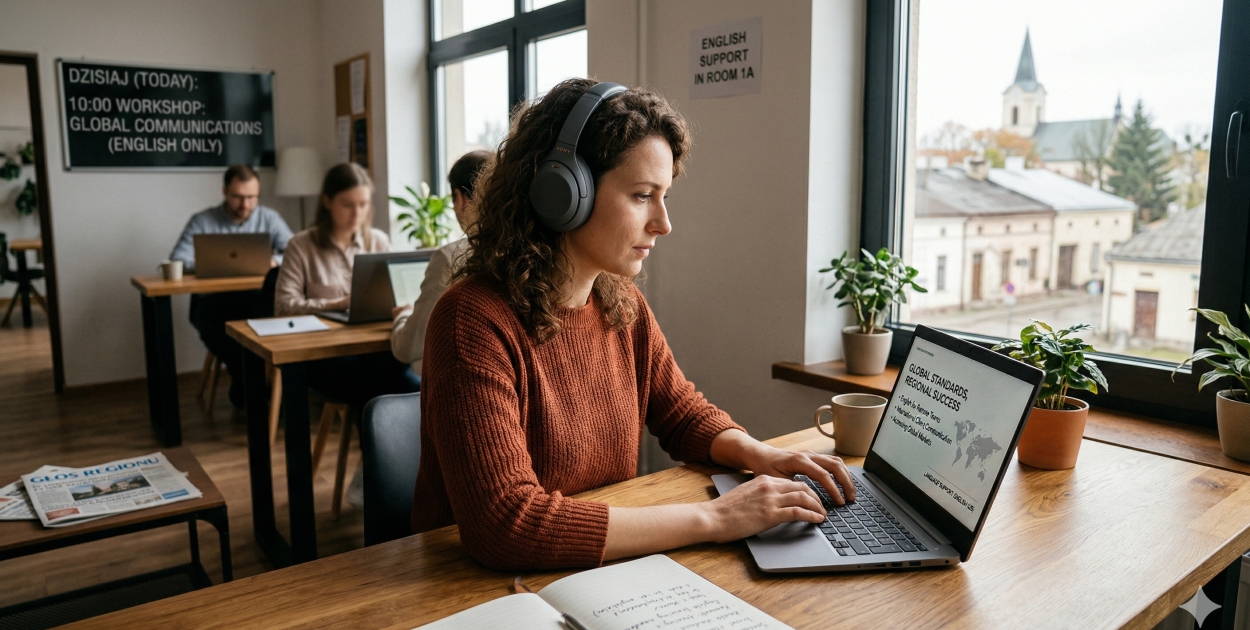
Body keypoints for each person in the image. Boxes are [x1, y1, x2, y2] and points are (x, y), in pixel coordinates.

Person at [412, 79, 856, 571]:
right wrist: (713, 518)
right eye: (643, 195)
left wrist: (758, 454)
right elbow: (507, 523)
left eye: (663, 196)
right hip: (472, 591)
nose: (663, 223)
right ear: (561, 192)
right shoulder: (471, 321)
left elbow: (681, 413)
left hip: (594, 568)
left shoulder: (619, 301)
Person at [274, 162, 418, 405]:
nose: (357, 214)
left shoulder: (379, 242)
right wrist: (335, 304)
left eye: (363, 205)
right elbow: (283, 306)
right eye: (348, 205)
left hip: (377, 351)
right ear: (327, 201)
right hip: (328, 357)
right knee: (394, 388)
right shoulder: (301, 246)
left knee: (392, 378)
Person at [169, 164, 293, 408]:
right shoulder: (202, 220)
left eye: (251, 197)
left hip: (256, 299)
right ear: (225, 192)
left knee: (268, 329)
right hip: (213, 301)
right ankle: (253, 391)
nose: (245, 205)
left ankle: (252, 392)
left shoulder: (270, 218)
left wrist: (273, 260)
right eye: (238, 197)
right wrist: (207, 263)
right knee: (232, 339)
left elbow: (295, 252)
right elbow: (177, 260)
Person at [390, 150, 489, 375]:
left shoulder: (451, 257)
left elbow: (407, 349)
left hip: (454, 384)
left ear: (460, 198)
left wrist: (403, 315)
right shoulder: (526, 252)